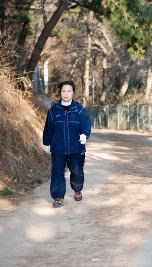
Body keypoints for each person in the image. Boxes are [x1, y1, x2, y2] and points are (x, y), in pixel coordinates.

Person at [43, 80, 91, 208]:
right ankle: (58, 197)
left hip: (76, 149)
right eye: (63, 91)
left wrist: (84, 134)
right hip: (58, 148)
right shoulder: (53, 111)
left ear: (73, 93)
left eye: (69, 91)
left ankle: (77, 189)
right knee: (57, 172)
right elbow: (48, 128)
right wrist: (46, 143)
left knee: (77, 172)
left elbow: (86, 125)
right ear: (60, 92)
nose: (66, 93)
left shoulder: (80, 111)